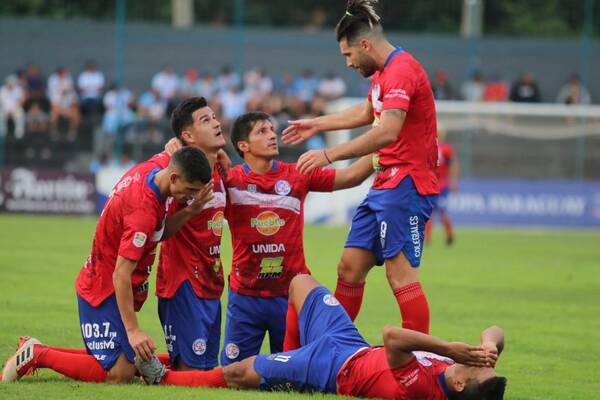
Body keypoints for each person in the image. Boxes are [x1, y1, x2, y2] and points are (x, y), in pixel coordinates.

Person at [282, 0, 438, 333]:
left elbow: (388, 130)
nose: (349, 63)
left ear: (365, 44)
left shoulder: (402, 69)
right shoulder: (384, 73)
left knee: (400, 275)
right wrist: (317, 124)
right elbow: (367, 113)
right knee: (349, 268)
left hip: (408, 184)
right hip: (385, 183)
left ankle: (423, 362)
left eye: (348, 55)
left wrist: (330, 153)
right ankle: (334, 347)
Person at [1, 146, 214, 384]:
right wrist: (133, 331)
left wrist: (191, 210)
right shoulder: (143, 210)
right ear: (174, 177)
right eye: (190, 190)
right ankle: (38, 355)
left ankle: (41, 349)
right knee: (119, 373)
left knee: (125, 360)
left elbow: (159, 232)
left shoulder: (155, 170)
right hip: (102, 289)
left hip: (115, 285)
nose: (192, 196)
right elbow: (121, 274)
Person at [135, 274, 507, 400]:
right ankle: (292, 357)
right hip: (351, 344)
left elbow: (392, 335)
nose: (476, 358)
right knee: (300, 282)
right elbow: (496, 330)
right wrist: (490, 343)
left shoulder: (421, 389)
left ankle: (162, 378)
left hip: (333, 367)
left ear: (459, 384)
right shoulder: (464, 373)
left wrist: (448, 347)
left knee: (237, 373)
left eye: (476, 365)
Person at [215, 111, 374, 366]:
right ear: (243, 146)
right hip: (245, 297)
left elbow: (352, 176)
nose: (271, 135)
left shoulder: (297, 173)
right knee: (234, 375)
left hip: (290, 297)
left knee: (292, 375)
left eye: (271, 129)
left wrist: (383, 145)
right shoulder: (230, 181)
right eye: (262, 131)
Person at [155, 97, 229, 371]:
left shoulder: (220, 170)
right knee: (192, 374)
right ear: (187, 135)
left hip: (212, 282)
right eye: (206, 120)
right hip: (182, 284)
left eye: (214, 117)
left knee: (204, 371)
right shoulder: (176, 173)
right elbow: (157, 231)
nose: (217, 123)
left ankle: (139, 366)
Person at [425, 125, 459, 245]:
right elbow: (454, 165)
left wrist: (453, 181)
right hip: (434, 185)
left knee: (436, 212)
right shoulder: (443, 148)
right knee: (434, 212)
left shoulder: (442, 148)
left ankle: (448, 236)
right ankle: (430, 238)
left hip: (440, 186)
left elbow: (453, 165)